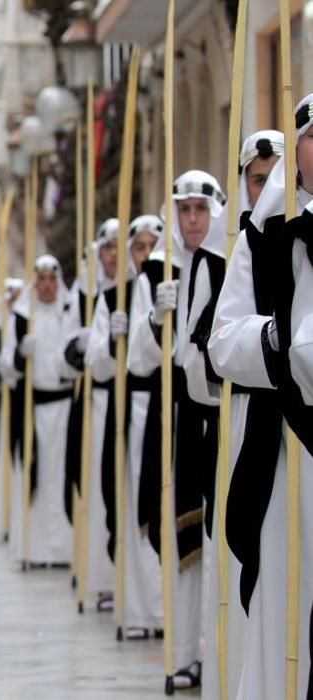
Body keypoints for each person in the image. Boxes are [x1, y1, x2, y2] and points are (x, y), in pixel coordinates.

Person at [210, 109, 313, 698]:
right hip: (290, 444)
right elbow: (224, 342)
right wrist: (274, 337)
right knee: (286, 590)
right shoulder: (263, 237)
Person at [128, 169, 227, 690]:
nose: (192, 221)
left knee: (222, 540)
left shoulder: (234, 263)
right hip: (185, 419)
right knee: (188, 540)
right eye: (184, 211)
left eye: (201, 211)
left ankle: (222, 649)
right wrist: (154, 320)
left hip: (227, 417)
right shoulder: (157, 274)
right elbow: (140, 363)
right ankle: (188, 651)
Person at [193, 129, 282, 699]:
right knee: (266, 576)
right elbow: (217, 351)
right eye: (258, 179)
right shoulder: (246, 247)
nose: (271, 188)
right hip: (259, 422)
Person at [86, 214, 163, 639]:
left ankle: (167, 610)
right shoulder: (115, 296)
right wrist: (112, 339)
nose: (146, 255)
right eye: (139, 248)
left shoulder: (177, 283)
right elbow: (98, 366)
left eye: (153, 245)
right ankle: (137, 609)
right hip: (132, 409)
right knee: (134, 504)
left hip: (170, 410)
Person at [0, 257, 74, 565]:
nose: (46, 285)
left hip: (66, 408)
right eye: (40, 279)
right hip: (33, 410)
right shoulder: (20, 319)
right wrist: (20, 354)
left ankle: (65, 550)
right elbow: (4, 368)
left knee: (63, 477)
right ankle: (35, 548)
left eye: (51, 279)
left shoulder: (69, 313)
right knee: (37, 476)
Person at [62, 218, 120, 610]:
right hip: (95, 400)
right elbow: (64, 359)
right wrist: (82, 345)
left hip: (129, 398)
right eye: (107, 249)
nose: (113, 256)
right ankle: (97, 573)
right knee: (97, 485)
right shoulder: (82, 295)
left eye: (119, 247)